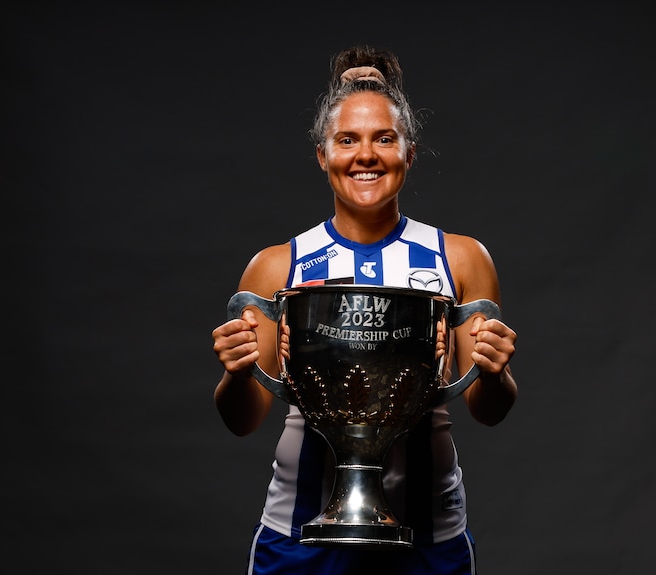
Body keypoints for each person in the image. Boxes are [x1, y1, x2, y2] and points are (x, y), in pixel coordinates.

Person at [212, 45, 518, 575]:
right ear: (323, 155)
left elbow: (488, 409)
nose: (366, 155)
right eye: (347, 140)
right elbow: (243, 420)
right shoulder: (275, 266)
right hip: (301, 535)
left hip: (427, 537)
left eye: (384, 138)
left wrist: (495, 372)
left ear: (409, 151)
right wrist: (237, 372)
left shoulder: (461, 257)